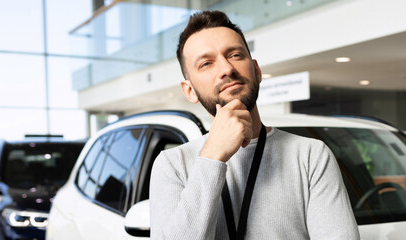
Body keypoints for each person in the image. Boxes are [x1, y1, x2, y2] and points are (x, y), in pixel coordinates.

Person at [149, 10, 359, 240]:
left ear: (257, 71)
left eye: (235, 55)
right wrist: (212, 156)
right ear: (190, 91)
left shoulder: (310, 155)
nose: (226, 69)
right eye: (207, 63)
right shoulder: (172, 165)